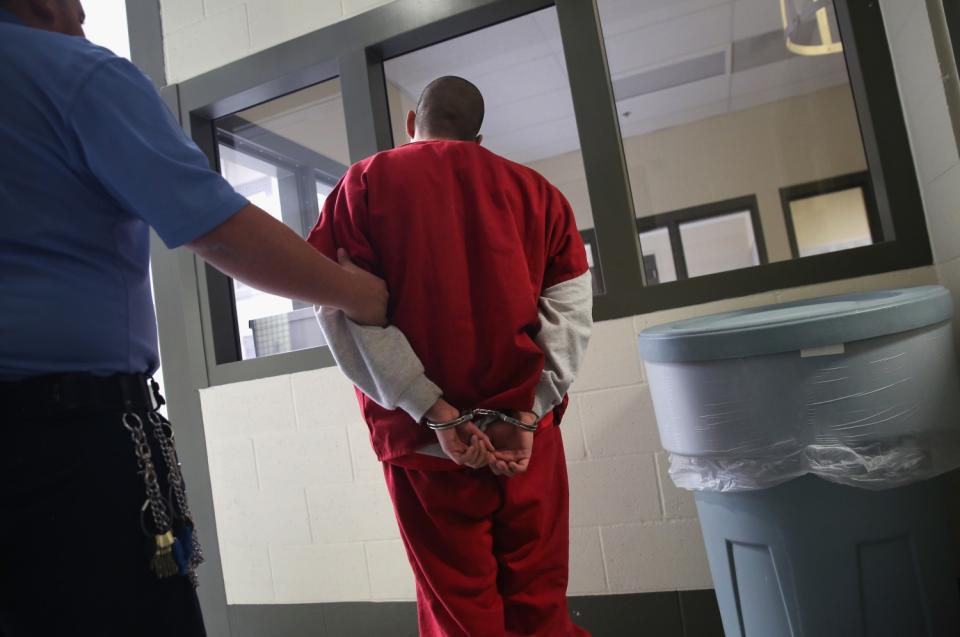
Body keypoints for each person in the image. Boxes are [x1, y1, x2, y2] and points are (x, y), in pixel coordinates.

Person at [0, 1, 387, 635]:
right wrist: (357, 295)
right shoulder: (80, 74)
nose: (85, 15)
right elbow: (220, 231)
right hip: (65, 451)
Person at [308, 76, 593, 636]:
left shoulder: (363, 185)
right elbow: (571, 319)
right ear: (479, 138)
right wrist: (528, 412)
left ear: (413, 124)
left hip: (426, 448)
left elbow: (341, 308)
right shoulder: (540, 195)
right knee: (540, 602)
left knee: (460, 615)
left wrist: (430, 406)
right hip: (524, 444)